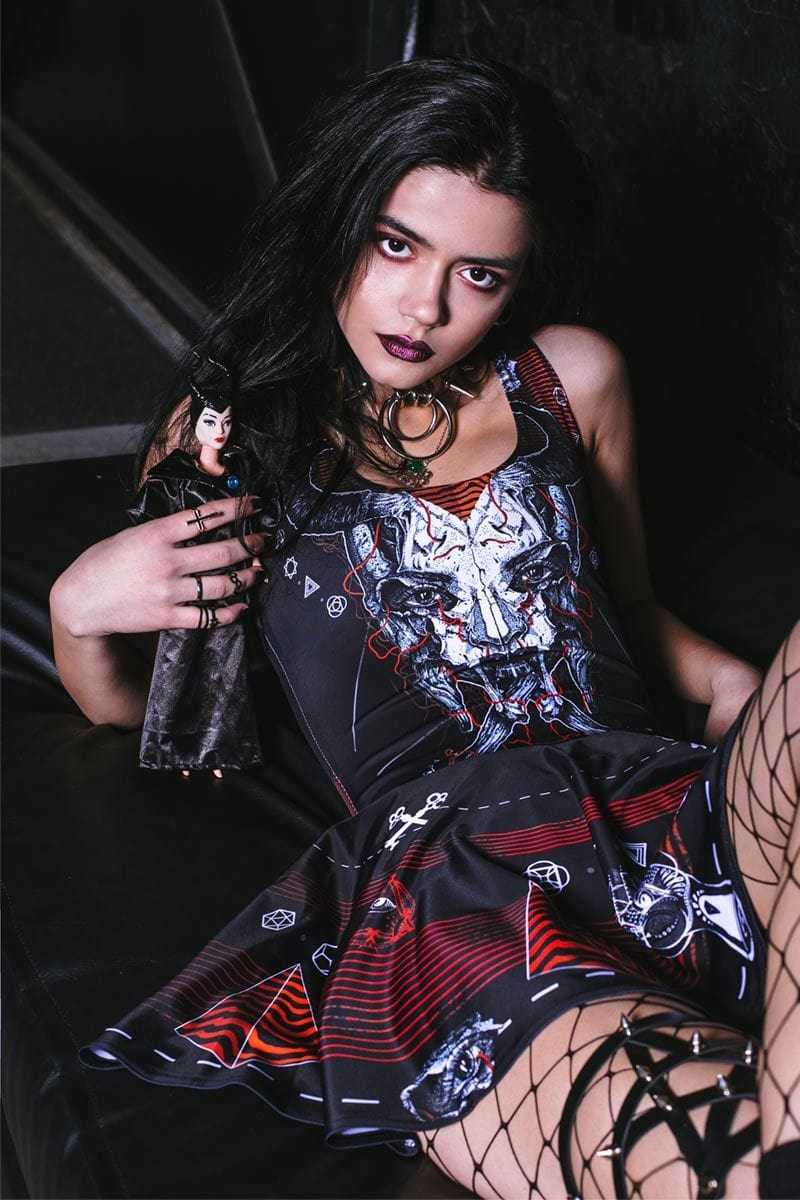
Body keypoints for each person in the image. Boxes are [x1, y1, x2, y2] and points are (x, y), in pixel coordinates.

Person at [49, 58, 798, 1200]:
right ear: (336, 222)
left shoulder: (573, 377)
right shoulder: (235, 435)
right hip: (460, 879)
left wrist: (737, 684)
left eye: (478, 273)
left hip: (664, 814)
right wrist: (77, 609)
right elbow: (161, 712)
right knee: (724, 1163)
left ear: (520, 280)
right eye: (394, 245)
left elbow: (626, 607)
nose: (423, 309)